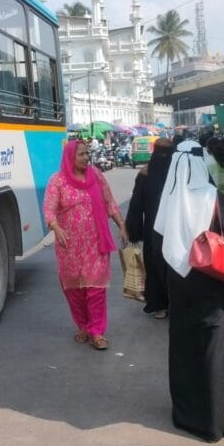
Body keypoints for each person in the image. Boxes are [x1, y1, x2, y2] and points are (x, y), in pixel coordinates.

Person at [154, 139, 224, 442]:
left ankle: (186, 415)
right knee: (210, 351)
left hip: (180, 284)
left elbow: (159, 241)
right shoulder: (212, 196)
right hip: (210, 283)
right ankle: (213, 423)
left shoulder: (170, 197)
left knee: (183, 348)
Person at [43, 139, 128, 351]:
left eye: (87, 153)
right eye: (81, 154)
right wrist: (56, 227)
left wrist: (122, 225)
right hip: (69, 246)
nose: (86, 157)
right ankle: (83, 326)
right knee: (74, 290)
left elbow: (109, 202)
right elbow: (49, 209)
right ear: (70, 157)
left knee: (95, 289)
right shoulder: (58, 180)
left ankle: (96, 331)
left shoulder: (96, 175)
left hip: (96, 244)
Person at [126, 138, 174, 317]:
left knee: (155, 267)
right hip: (172, 230)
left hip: (154, 230)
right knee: (170, 267)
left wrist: (134, 231)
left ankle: (160, 305)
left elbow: (136, 205)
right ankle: (170, 303)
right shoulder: (176, 173)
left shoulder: (145, 174)